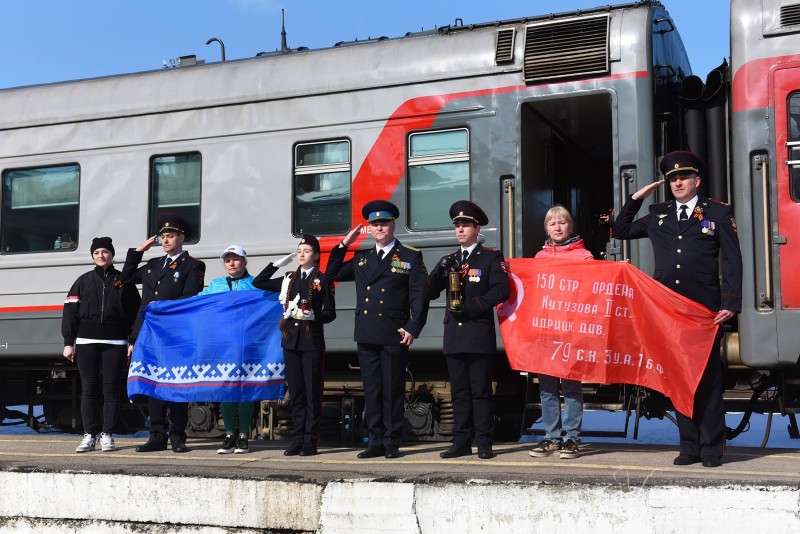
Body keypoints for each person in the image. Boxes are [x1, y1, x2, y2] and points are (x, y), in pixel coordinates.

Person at [613, 150, 742, 468]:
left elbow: (732, 260)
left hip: (703, 311)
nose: (677, 182)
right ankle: (690, 446)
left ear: (697, 180)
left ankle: (712, 447)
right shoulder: (657, 214)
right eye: (672, 179)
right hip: (668, 310)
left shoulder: (718, 213)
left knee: (707, 380)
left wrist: (731, 303)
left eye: (683, 177)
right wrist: (636, 198)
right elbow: (621, 230)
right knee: (678, 378)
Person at [326, 200, 429, 459]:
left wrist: (413, 326)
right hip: (367, 331)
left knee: (392, 389)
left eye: (383, 223)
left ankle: (392, 441)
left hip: (394, 331)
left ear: (393, 225)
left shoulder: (409, 256)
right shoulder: (362, 259)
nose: (379, 228)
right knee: (371, 390)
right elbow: (332, 274)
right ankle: (374, 441)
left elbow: (419, 295)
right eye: (374, 224)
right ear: (369, 229)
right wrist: (344, 244)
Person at [426, 201, 509, 460]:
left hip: (477, 331)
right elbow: (428, 292)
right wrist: (437, 271)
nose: (460, 230)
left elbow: (501, 290)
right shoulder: (450, 260)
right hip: (454, 334)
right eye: (457, 226)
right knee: (458, 392)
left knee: (480, 391)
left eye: (465, 225)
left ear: (477, 228)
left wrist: (474, 306)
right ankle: (461, 441)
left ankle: (484, 441)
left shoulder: (490, 257)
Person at [121, 213, 206, 453]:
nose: (165, 240)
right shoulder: (153, 265)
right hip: (149, 333)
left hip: (175, 333)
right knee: (153, 383)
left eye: (170, 236)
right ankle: (156, 436)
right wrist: (139, 251)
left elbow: (189, 297)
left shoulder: (194, 265)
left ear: (181, 238)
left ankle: (178, 437)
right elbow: (125, 278)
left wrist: (162, 313)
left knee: (176, 383)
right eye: (163, 237)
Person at [253, 235, 336, 457]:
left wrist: (314, 316)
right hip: (291, 341)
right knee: (296, 393)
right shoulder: (289, 278)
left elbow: (330, 313)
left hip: (311, 342)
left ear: (316, 255)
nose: (301, 254)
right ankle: (297, 439)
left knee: (311, 393)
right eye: (299, 250)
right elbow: (258, 282)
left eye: (307, 250)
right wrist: (276, 265)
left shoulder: (322, 280)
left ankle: (310, 440)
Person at [62, 237, 142, 453]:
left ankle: (107, 435)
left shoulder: (123, 281)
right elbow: (70, 313)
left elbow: (136, 313)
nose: (100, 256)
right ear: (92, 256)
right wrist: (69, 342)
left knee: (111, 390)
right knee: (88, 389)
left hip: (115, 341)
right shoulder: (83, 281)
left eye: (105, 251)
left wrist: (132, 341)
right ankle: (89, 435)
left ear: (112, 255)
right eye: (96, 252)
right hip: (87, 341)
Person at [528, 206, 594, 460]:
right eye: (552, 223)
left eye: (562, 222)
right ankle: (552, 437)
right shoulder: (539, 258)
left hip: (572, 331)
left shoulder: (584, 257)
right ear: (546, 229)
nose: (557, 227)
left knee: (571, 386)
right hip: (546, 330)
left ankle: (571, 438)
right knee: (547, 387)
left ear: (571, 226)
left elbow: (593, 290)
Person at [196, 245, 262, 454]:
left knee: (244, 390)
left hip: (247, 343)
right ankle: (229, 435)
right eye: (227, 260)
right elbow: (198, 304)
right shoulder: (216, 285)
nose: (231, 263)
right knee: (226, 389)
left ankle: (243, 436)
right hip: (222, 344)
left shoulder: (255, 284)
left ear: (245, 261)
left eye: (236, 259)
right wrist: (166, 307)